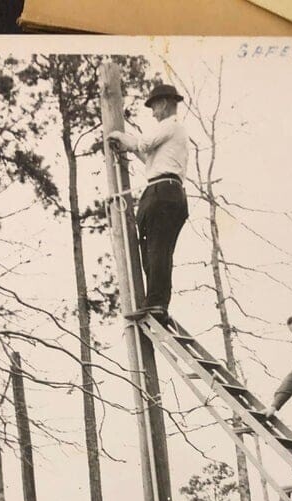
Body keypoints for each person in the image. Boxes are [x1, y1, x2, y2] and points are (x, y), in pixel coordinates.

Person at [108, 82, 189, 323]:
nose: (153, 113)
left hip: (162, 191)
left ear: (163, 104)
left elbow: (143, 144)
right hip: (166, 190)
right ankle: (156, 303)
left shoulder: (170, 125)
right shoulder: (174, 133)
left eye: (154, 107)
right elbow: (148, 157)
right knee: (154, 248)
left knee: (157, 249)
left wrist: (120, 135)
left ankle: (156, 303)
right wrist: (128, 148)